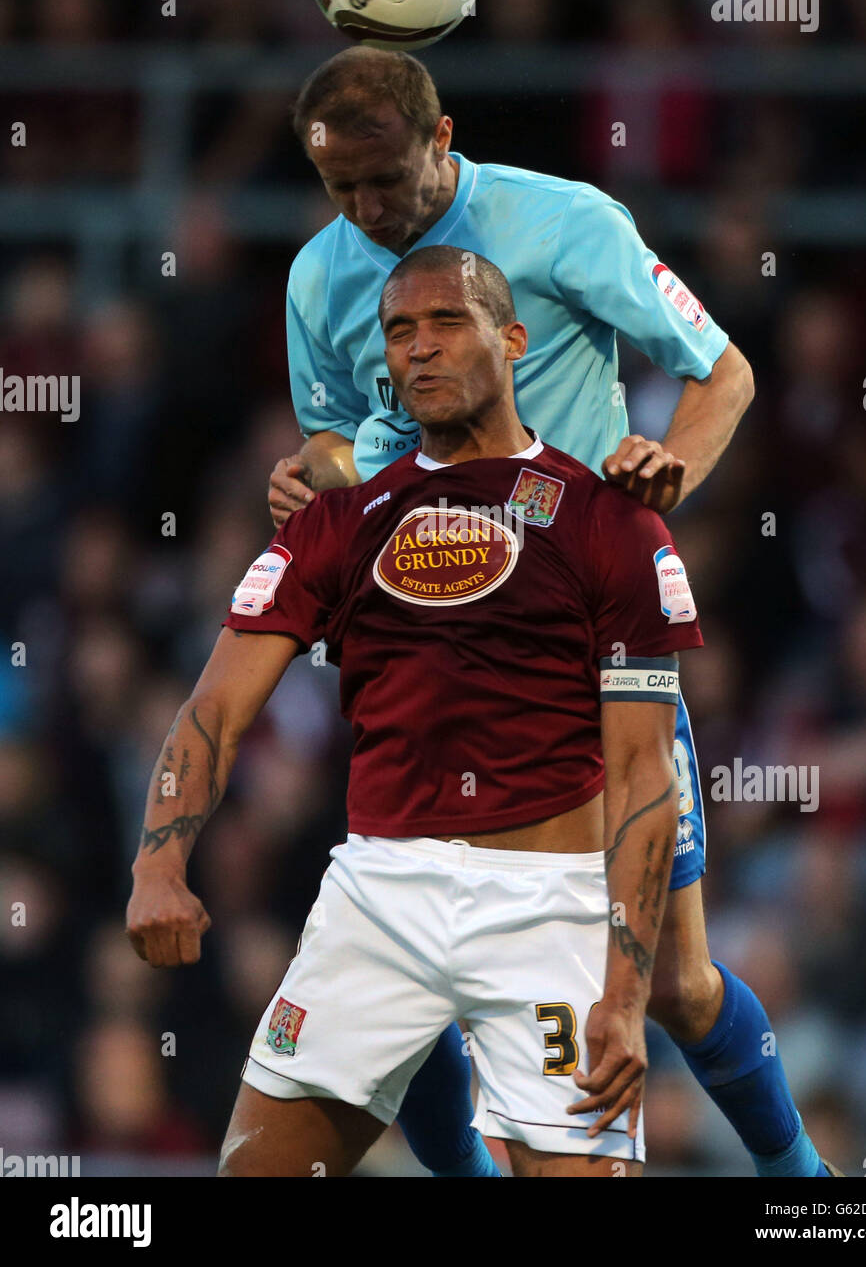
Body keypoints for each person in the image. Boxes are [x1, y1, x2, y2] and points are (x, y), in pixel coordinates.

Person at [265, 48, 837, 1179]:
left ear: (444, 140)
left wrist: (663, 471)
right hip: (422, 658)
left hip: (589, 647)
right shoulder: (316, 279)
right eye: (342, 192)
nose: (368, 213)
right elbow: (355, 435)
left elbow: (723, 372)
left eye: (387, 181)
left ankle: (803, 1183)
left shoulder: (568, 221)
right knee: (407, 985)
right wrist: (313, 473)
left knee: (672, 983)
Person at [126, 248, 703, 1177]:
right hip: (379, 894)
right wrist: (160, 863)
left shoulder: (613, 523)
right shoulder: (337, 522)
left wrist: (626, 992)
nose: (420, 350)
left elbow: (646, 774)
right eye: (401, 332)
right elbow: (215, 709)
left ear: (513, 340)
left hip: (547, 906)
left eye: (447, 324)